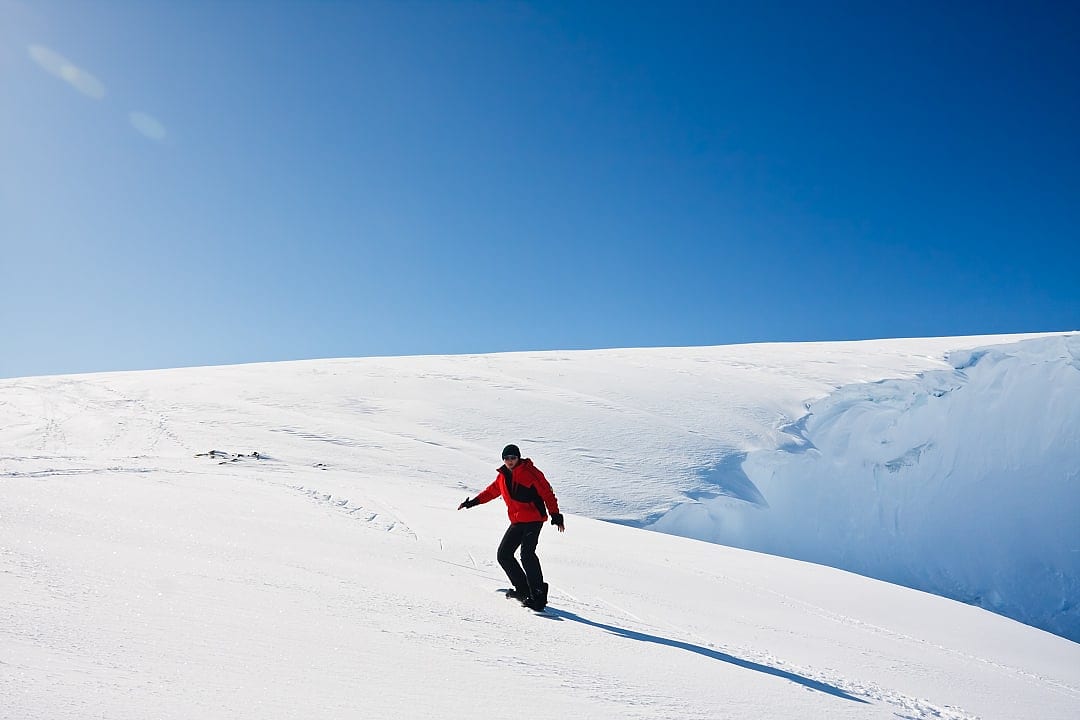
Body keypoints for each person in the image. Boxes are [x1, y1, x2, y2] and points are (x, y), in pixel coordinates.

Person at [458, 444, 564, 610]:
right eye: (507, 458)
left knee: (527, 554)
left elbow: (547, 493)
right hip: (517, 521)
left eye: (513, 458)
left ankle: (538, 594)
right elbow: (491, 492)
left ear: (518, 458)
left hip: (534, 519)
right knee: (503, 555)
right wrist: (472, 502)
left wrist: (555, 515)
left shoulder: (531, 473)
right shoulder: (503, 476)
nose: (510, 461)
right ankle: (523, 590)